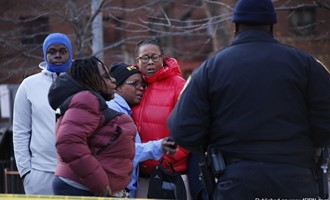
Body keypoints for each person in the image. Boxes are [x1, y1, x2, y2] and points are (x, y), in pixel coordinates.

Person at [167, 0, 330, 199]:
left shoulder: (211, 68)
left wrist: (213, 144)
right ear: (271, 26)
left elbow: (182, 129)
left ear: (235, 26)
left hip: (236, 181)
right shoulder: (306, 65)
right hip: (296, 179)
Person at [48, 56, 136, 197]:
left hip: (83, 187)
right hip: (81, 188)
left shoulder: (87, 101)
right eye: (106, 77)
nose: (113, 80)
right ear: (90, 80)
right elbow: (68, 143)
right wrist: (99, 183)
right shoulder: (86, 99)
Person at [12, 32, 73, 195]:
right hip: (41, 174)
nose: (57, 55)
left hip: (78, 173)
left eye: (63, 50)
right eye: (52, 51)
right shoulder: (28, 85)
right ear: (45, 54)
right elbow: (20, 131)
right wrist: (26, 172)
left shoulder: (82, 81)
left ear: (70, 53)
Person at [106, 62, 177, 198]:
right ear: (118, 87)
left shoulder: (124, 110)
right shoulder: (112, 111)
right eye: (134, 83)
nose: (141, 88)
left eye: (143, 85)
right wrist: (159, 146)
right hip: (115, 189)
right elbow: (123, 151)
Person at [131, 38, 191, 199]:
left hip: (172, 174)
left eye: (154, 57)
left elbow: (191, 128)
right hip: (140, 176)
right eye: (145, 58)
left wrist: (167, 160)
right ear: (137, 61)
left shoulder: (178, 85)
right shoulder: (132, 86)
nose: (150, 62)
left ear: (163, 58)